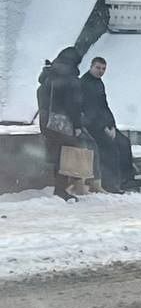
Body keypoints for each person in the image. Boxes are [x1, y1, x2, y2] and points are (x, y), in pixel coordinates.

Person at [79, 57, 139, 193]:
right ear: (91, 67)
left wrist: (111, 125)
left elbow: (104, 106)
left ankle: (127, 178)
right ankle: (111, 183)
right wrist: (104, 127)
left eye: (103, 69)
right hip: (92, 125)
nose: (101, 71)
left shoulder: (98, 83)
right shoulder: (85, 83)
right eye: (98, 68)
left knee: (124, 142)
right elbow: (90, 109)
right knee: (110, 149)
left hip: (104, 123)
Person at [37, 47, 86, 202]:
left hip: (47, 121)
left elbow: (41, 95)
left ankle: (61, 188)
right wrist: (77, 125)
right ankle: (61, 190)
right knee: (66, 155)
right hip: (64, 122)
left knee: (57, 154)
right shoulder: (70, 79)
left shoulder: (48, 75)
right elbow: (73, 104)